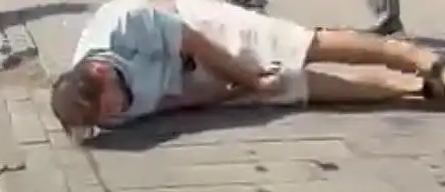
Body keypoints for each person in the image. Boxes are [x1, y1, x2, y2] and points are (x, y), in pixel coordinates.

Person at [50, 0, 444, 143]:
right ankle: (415, 87)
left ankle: (416, 57)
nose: (109, 117)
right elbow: (176, 102)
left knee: (298, 45)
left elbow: (193, 41)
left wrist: (248, 77)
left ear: (100, 71)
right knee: (297, 87)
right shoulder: (106, 116)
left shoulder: (121, 26)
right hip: (183, 77)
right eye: (98, 120)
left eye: (104, 107)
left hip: (193, 27)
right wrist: (235, 91)